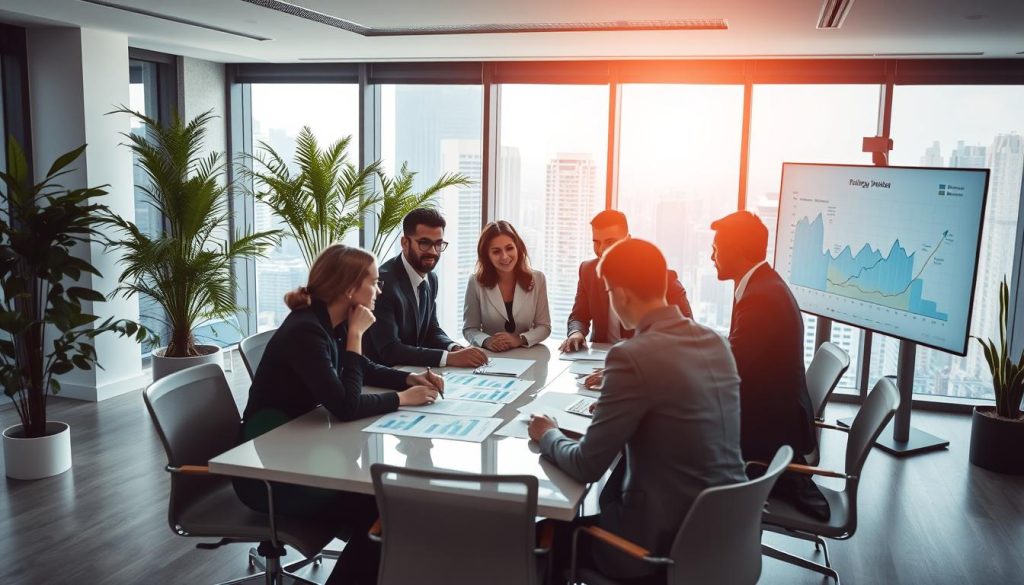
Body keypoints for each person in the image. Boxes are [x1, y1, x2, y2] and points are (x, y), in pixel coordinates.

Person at [529, 239, 746, 584]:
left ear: (622, 294)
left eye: (609, 292)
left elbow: (587, 465)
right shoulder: (715, 342)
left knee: (540, 536)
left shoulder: (631, 355)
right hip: (728, 535)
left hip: (658, 548)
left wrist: (548, 434)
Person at [234, 244, 442, 585]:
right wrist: (401, 398)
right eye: (374, 282)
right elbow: (346, 406)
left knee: (383, 507)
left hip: (298, 447)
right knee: (382, 510)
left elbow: (362, 368)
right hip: (270, 473)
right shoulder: (306, 330)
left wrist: (408, 378)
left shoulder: (327, 320)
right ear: (349, 289)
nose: (379, 290)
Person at [710, 210, 829, 521]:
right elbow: (739, 351)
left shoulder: (761, 298)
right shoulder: (763, 284)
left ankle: (695, 529)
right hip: (775, 415)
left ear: (736, 251)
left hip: (766, 434)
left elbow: (730, 367)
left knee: (672, 434)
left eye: (716, 249)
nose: (711, 257)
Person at [559, 209, 694, 388]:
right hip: (596, 360)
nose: (602, 250)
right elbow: (579, 315)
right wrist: (576, 333)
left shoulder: (662, 277)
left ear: (627, 240)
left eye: (610, 242)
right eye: (596, 242)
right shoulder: (588, 271)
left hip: (645, 367)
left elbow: (685, 333)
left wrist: (630, 368)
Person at [365, 208, 488, 368]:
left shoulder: (431, 278)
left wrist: (455, 348)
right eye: (424, 243)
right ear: (405, 243)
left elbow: (431, 329)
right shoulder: (382, 283)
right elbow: (390, 350)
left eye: (438, 244)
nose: (433, 252)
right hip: (382, 376)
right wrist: (450, 358)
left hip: (413, 371)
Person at [462, 220, 551, 351]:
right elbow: (470, 328)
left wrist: (519, 339)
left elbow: (544, 327)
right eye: (496, 251)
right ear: (487, 255)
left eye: (509, 248)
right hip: (490, 355)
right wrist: (486, 341)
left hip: (526, 353)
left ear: (518, 248)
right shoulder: (475, 282)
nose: (504, 256)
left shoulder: (538, 279)